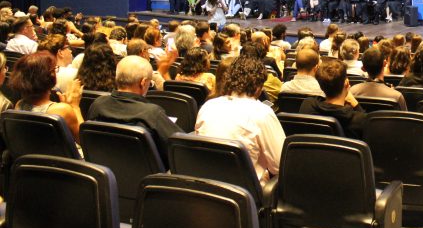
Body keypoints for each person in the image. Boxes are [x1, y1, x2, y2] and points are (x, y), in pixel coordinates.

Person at [195, 53, 285, 187]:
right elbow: (280, 165)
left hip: (207, 188)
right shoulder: (262, 112)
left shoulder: (207, 106)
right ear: (259, 87)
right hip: (247, 193)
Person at [87, 56, 183, 166]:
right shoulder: (152, 114)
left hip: (105, 171)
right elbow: (181, 150)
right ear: (143, 82)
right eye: (150, 83)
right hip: (148, 175)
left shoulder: (98, 105)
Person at [11, 51, 84, 143]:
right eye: (55, 69)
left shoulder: (19, 104)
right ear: (50, 76)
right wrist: (75, 107)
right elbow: (85, 141)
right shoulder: (63, 110)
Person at [298, 58, 367, 139]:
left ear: (321, 85)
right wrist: (356, 104)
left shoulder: (307, 105)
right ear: (346, 83)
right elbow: (368, 123)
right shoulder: (359, 119)